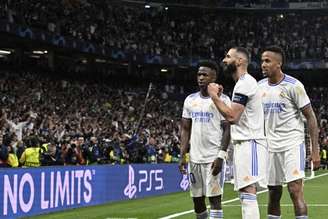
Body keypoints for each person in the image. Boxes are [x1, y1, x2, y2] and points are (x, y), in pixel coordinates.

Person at [259, 45, 320, 219]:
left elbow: (311, 117)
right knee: (274, 193)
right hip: (270, 147)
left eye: (267, 61)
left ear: (279, 64)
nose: (263, 64)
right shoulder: (259, 87)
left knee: (294, 191)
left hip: (292, 144)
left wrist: (315, 151)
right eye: (262, 60)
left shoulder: (294, 86)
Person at [207, 47, 267, 219]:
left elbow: (232, 116)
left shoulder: (245, 82)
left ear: (240, 61)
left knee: (248, 193)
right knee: (245, 194)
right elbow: (232, 115)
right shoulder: (242, 84)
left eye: (228, 57)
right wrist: (218, 98)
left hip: (250, 143)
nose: (224, 60)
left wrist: (214, 96)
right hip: (243, 145)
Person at [179, 60, 231, 219]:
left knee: (215, 199)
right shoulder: (190, 100)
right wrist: (182, 155)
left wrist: (221, 156)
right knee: (197, 201)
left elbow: (228, 129)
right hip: (195, 159)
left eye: (204, 75)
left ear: (213, 77)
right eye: (199, 74)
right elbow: (186, 129)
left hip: (212, 158)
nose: (200, 77)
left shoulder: (222, 100)